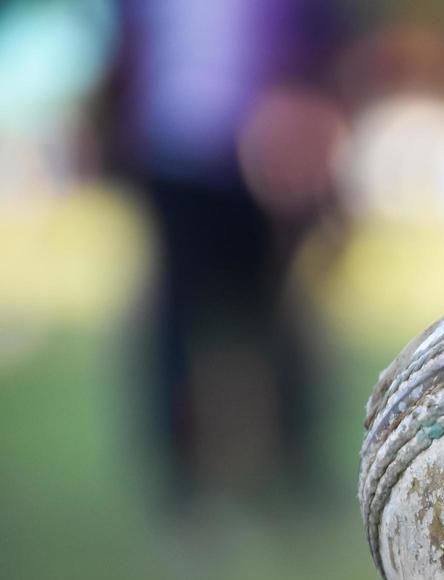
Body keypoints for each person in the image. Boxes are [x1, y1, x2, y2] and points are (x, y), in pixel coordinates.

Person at [103, 0, 347, 507]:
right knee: (177, 320)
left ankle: (292, 473)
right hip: (173, 155)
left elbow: (321, 35)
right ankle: (182, 477)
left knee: (277, 317)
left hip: (271, 156)